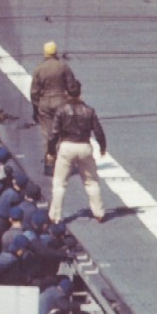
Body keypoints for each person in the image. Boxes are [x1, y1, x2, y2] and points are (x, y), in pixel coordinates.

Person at [47, 79, 106, 224]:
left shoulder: (61, 110)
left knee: (59, 183)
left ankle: (55, 215)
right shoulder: (89, 111)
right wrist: (102, 147)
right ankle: (99, 212)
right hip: (84, 146)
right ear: (80, 92)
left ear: (66, 93)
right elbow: (98, 131)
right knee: (91, 181)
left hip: (67, 146)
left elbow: (54, 133)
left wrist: (51, 151)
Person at [30, 41, 76, 173]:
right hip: (61, 102)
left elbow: (34, 92)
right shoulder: (63, 67)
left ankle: (50, 163)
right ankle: (63, 163)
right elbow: (72, 87)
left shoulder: (39, 68)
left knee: (48, 134)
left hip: (45, 104)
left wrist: (36, 107)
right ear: (55, 52)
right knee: (62, 133)